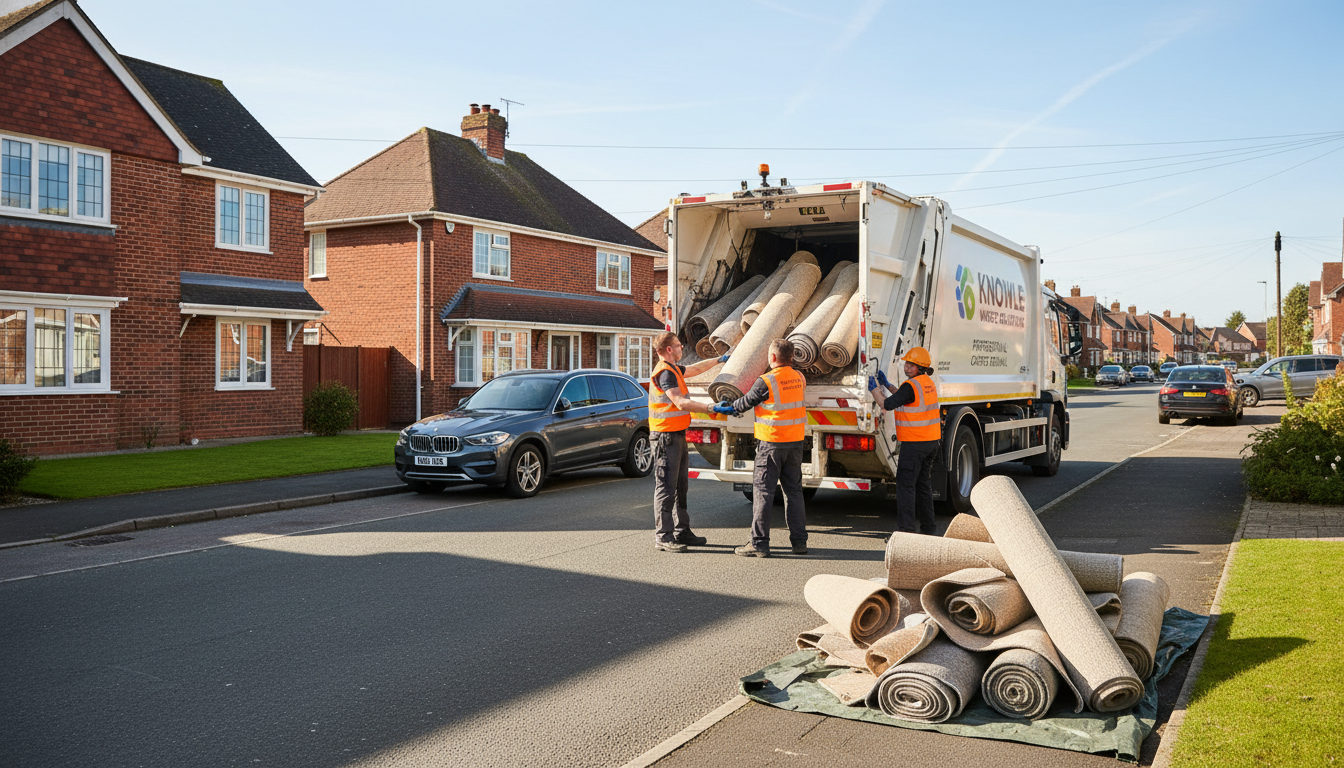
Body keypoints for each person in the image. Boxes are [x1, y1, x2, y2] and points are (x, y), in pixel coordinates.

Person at [714, 338, 808, 557]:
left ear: (772, 357)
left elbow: (746, 403)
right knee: (793, 492)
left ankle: (759, 544)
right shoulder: (799, 377)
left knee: (764, 492)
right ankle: (799, 543)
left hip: (771, 444)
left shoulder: (766, 381)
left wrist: (728, 407)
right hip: (794, 443)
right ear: (792, 357)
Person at [650, 331, 729, 553]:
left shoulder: (674, 369)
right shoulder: (665, 373)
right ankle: (663, 537)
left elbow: (694, 370)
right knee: (666, 487)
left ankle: (681, 530)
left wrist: (718, 360)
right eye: (678, 345)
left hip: (676, 435)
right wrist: (710, 407)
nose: (681, 348)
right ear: (668, 349)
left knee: (680, 487)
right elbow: (681, 403)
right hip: (665, 438)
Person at [868, 347, 941, 535]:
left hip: (915, 443)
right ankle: (928, 529)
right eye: (906, 364)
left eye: (910, 365)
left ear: (919, 367)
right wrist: (888, 385)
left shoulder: (911, 386)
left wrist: (874, 389)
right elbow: (904, 397)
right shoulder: (926, 383)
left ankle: (906, 531)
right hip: (930, 442)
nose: (906, 367)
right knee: (923, 485)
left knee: (905, 486)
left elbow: (887, 404)